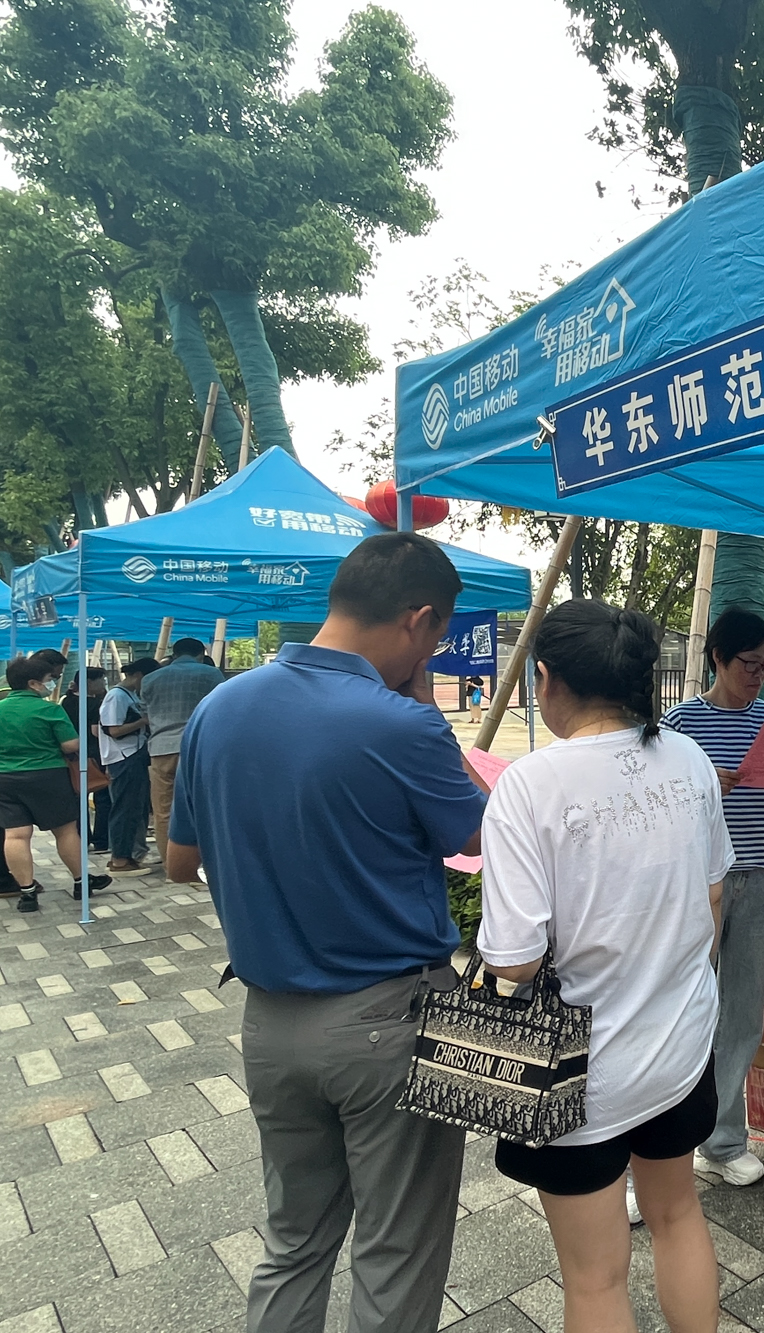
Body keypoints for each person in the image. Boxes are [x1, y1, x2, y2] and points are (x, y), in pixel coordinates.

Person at [165, 533, 489, 1333]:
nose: (434, 651)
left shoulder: (217, 709)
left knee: (293, 1240)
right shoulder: (403, 724)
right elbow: (478, 836)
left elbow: (179, 862)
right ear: (418, 619)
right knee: (396, 1248)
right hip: (391, 1021)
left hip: (269, 1023)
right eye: (438, 634)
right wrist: (423, 710)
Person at [479, 599, 733, 1333]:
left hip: (577, 1074)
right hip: (680, 1048)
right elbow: (713, 895)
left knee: (594, 1281)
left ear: (546, 677)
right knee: (677, 1214)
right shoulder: (687, 758)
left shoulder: (529, 784)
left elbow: (515, 961)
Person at [662, 609, 764, 1191]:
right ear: (717, 659)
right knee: (687, 1006)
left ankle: (725, 1140)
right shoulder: (681, 723)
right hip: (700, 881)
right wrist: (705, 784)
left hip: (759, 873)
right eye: (748, 664)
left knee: (743, 1012)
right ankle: (670, 1136)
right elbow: (662, 806)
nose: (757, 676)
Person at [0, 653, 114, 912]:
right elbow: (70, 744)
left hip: (5, 778)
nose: (51, 684)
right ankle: (81, 882)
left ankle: (27, 893)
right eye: (48, 679)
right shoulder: (49, 709)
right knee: (65, 831)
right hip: (47, 776)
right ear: (33, 683)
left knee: (15, 835)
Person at [141, 636, 225, 859]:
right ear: (201, 655)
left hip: (161, 748)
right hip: (200, 747)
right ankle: (205, 862)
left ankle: (171, 866)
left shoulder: (150, 679)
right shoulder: (212, 675)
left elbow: (145, 711)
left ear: (174, 654)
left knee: (163, 811)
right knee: (204, 808)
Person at [99, 658, 161, 877]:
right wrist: (142, 722)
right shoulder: (116, 696)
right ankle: (119, 858)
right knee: (124, 808)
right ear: (140, 675)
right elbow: (113, 730)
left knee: (136, 808)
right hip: (123, 756)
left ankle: (130, 854)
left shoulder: (131, 695)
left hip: (135, 753)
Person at [62, 667, 111, 855]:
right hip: (95, 755)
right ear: (89, 682)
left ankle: (82, 838)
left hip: (72, 755)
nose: (103, 684)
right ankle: (101, 840)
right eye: (101, 681)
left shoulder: (66, 701)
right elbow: (95, 732)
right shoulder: (94, 704)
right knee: (103, 797)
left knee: (79, 798)